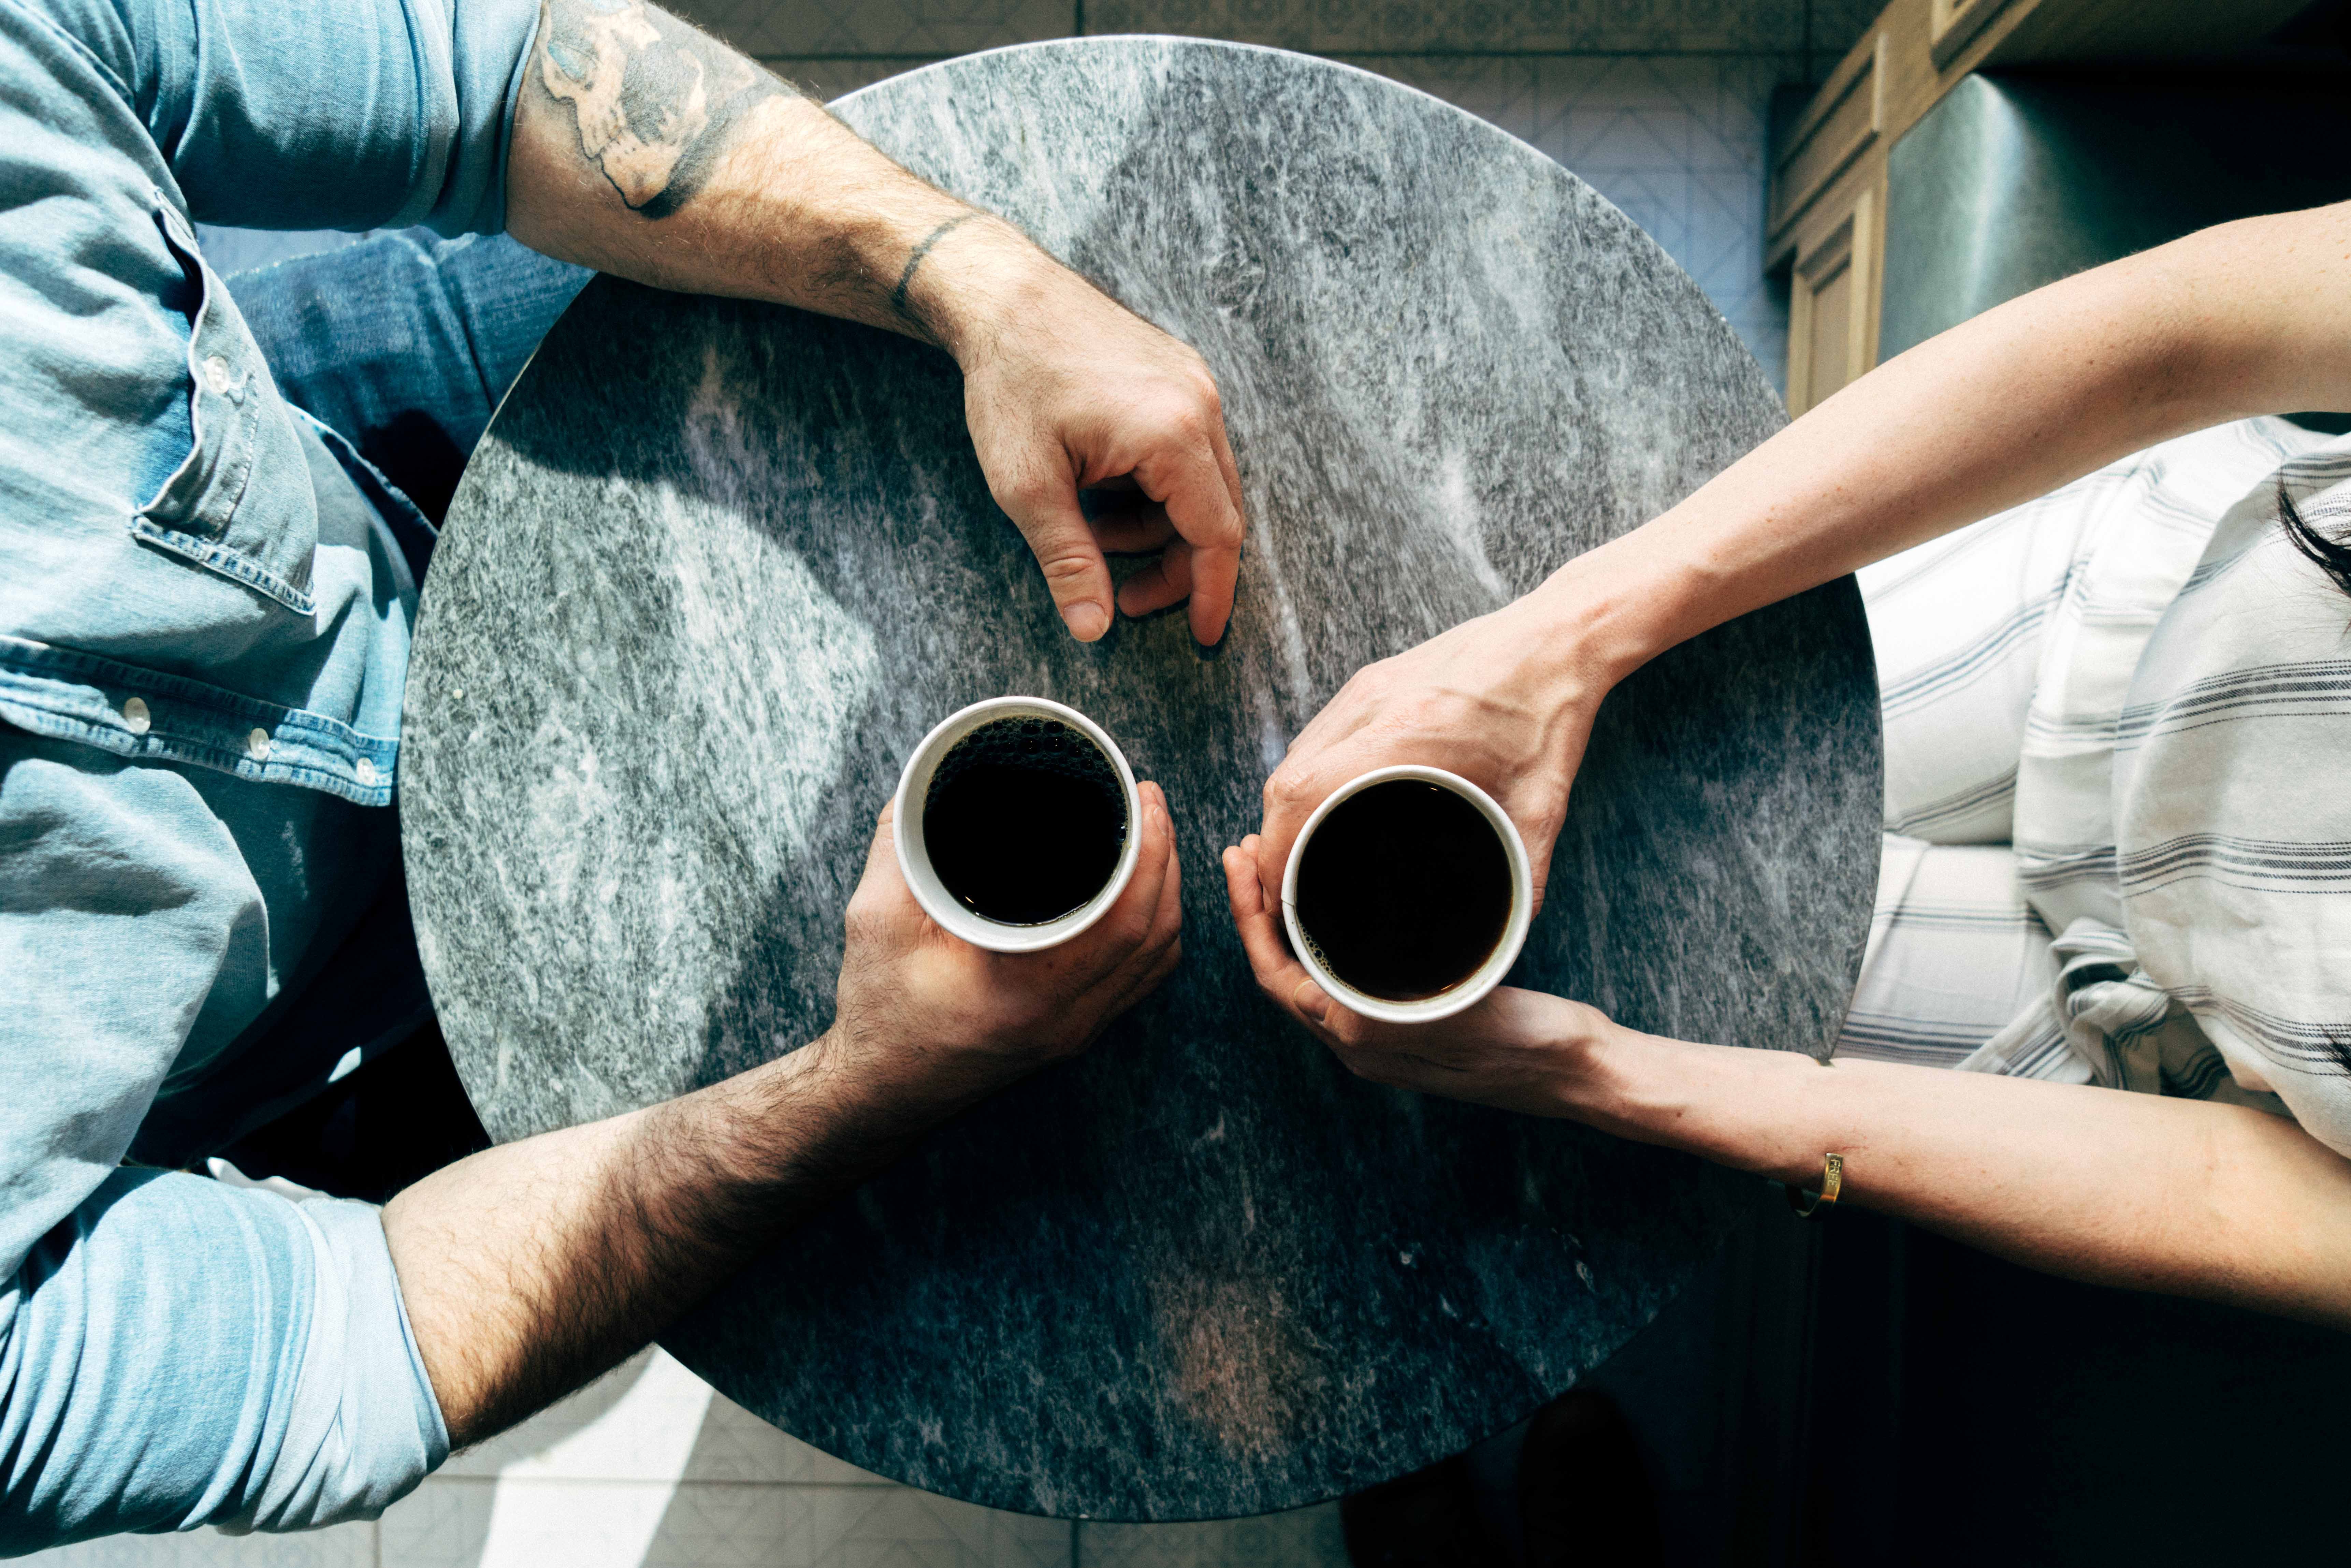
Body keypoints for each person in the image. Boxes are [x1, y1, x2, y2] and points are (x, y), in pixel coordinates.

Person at [0, 0, 1240, 1549]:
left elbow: (489, 83)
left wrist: (972, 280)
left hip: (377, 438)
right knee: (1001, 1196)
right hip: (335, 1019)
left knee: (1095, 324)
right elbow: (340, 1354)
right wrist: (860, 1084)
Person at [1228, 200, 2351, 1327]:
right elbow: (2177, 334)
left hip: (2180, 1060)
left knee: (1632, 983)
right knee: (1646, 734)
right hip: (2134, 618)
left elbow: (2242, 1203)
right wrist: (1561, 641)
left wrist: (1599, 1071)